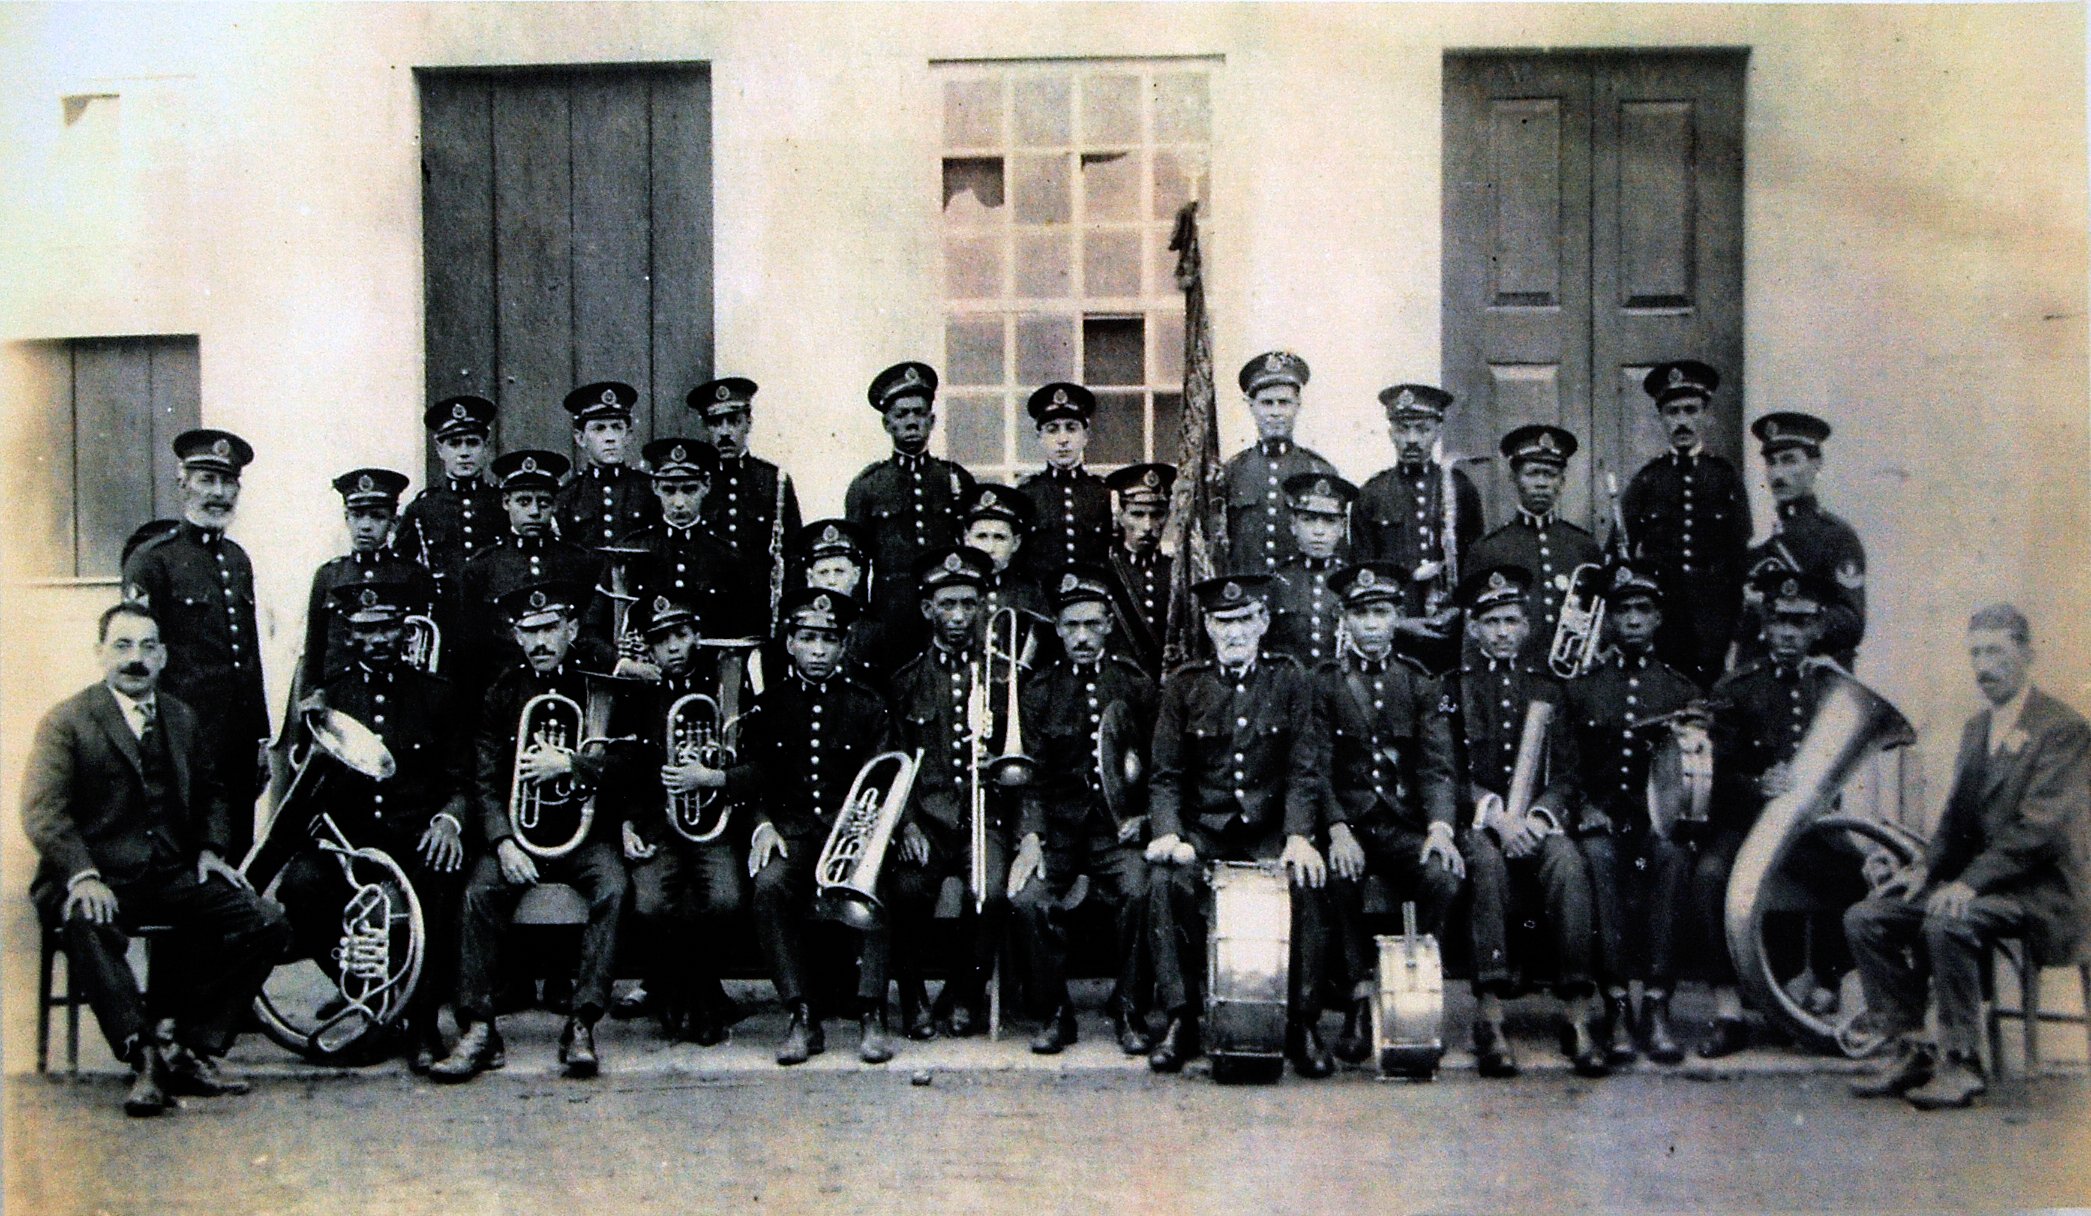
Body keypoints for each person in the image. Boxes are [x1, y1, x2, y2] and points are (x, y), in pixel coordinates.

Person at [21, 601, 291, 1116]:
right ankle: (143, 1056)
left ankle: (191, 1047)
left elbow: (212, 791)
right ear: (99, 653)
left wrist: (211, 850)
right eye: (122, 646)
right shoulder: (68, 721)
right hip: (96, 875)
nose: (135, 659)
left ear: (164, 656)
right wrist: (82, 873)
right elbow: (43, 812)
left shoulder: (180, 717)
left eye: (147, 647)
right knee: (86, 918)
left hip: (170, 873)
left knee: (267, 921)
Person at [1846, 605, 2091, 1110]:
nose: (1983, 666)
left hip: (2043, 891)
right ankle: (1911, 1046)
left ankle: (1962, 1063)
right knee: (1867, 917)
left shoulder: (2063, 728)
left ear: (2027, 653)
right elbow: (1957, 818)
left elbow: (2039, 832)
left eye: (1996, 652)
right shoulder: (1978, 726)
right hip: (1984, 885)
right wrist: (1926, 871)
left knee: (1946, 920)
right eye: (1975, 653)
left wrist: (1967, 885)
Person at [430, 580, 626, 1083]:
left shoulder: (595, 683)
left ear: (572, 630)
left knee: (614, 888)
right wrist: (503, 841)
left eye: (550, 629)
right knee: (477, 893)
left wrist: (572, 763)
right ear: (516, 636)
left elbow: (626, 761)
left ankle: (582, 1021)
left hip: (584, 836)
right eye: (529, 631)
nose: (540, 641)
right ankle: (476, 1025)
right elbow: (486, 779)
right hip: (521, 836)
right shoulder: (501, 692)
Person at [275, 575, 471, 1072]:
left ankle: (422, 1020)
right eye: (367, 630)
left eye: (387, 628)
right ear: (350, 634)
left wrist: (449, 820)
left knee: (442, 875)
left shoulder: (438, 695)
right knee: (301, 886)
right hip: (350, 840)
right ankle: (371, 999)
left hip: (414, 835)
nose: (379, 639)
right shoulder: (330, 698)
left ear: (404, 630)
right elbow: (308, 780)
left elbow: (460, 778)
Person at [1142, 575, 1334, 1077]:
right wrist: (1169, 833)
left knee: (1308, 882)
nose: (1233, 633)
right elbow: (1166, 775)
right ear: (1207, 626)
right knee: (1164, 883)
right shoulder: (1186, 686)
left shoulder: (1290, 679)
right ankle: (1182, 1019)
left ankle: (1302, 1022)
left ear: (1263, 623)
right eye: (1222, 622)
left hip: (1268, 830)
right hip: (1205, 831)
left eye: (1244, 620)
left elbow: (1303, 769)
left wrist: (1298, 835)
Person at [1443, 565, 1606, 1076]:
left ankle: (1578, 1015)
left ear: (1528, 625)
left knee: (1569, 862)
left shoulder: (1550, 689)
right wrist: (1495, 815)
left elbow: (1570, 772)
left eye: (1512, 621)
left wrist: (1539, 816)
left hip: (1535, 825)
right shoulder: (1451, 688)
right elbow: (1442, 770)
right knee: (1485, 865)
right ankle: (1489, 1018)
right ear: (1472, 627)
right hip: (1480, 824)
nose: (1502, 632)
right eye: (1490, 622)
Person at [1304, 561, 1466, 1067]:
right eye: (1362, 615)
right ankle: (1357, 998)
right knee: (1338, 876)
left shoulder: (1418, 682)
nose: (1372, 626)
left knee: (1441, 875)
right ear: (1345, 621)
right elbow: (1316, 767)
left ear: (1397, 617)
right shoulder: (1325, 682)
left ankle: (1406, 984)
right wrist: (1334, 829)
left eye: (1382, 613)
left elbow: (1438, 766)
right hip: (1348, 820)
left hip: (1400, 823)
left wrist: (1440, 828)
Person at [741, 586, 902, 1065]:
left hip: (850, 833)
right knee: (768, 886)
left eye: (828, 640)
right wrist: (763, 825)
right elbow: (752, 781)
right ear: (789, 642)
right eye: (807, 638)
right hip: (791, 834)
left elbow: (884, 779)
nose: (818, 650)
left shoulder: (867, 705)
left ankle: (871, 1011)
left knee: (874, 882)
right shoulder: (769, 707)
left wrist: (860, 836)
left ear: (843, 645)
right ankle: (801, 1013)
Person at [1554, 563, 1703, 1065]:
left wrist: (1673, 815)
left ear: (1658, 618)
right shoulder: (1583, 687)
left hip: (1657, 820)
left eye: (1643, 610)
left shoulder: (1681, 691)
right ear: (1610, 620)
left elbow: (1690, 768)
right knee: (1596, 857)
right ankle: (1616, 1003)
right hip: (1604, 820)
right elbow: (1569, 769)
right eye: (1623, 610)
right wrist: (1586, 808)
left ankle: (1657, 1004)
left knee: (1675, 857)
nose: (1633, 620)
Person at [1008, 564, 1158, 1055]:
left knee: (1141, 889)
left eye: (1092, 624)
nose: (1082, 636)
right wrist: (1030, 837)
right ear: (1058, 628)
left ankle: (1129, 1005)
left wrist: (1146, 821)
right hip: (1058, 829)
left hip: (1118, 829)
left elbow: (1158, 764)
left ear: (1109, 625)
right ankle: (1055, 1010)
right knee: (1029, 900)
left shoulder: (1134, 683)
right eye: (1071, 625)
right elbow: (1028, 776)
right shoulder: (1038, 691)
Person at [1695, 569, 1844, 1059]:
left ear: (1817, 628)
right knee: (1711, 873)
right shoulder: (1738, 686)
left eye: (1799, 625)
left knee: (1858, 873)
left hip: (1809, 825)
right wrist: (1758, 785)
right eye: (1778, 622)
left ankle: (1816, 988)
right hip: (1745, 822)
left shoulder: (1833, 687)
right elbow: (1716, 770)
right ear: (1764, 625)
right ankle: (1727, 1010)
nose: (1786, 633)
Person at [606, 592, 747, 1046]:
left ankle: (696, 987)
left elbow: (756, 763)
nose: (672, 647)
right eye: (661, 640)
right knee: (649, 904)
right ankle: (691, 991)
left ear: (696, 637)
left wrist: (713, 776)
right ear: (647, 647)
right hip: (657, 824)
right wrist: (626, 823)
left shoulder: (724, 686)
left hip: (713, 822)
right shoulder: (635, 695)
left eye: (681, 636)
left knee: (724, 899)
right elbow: (624, 765)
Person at [122, 428, 270, 860]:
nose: (218, 494)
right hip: (183, 742)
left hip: (238, 743)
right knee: (187, 857)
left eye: (228, 483)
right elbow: (137, 661)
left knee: (237, 849)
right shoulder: (153, 560)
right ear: (182, 482)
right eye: (207, 480)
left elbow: (248, 655)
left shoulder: (238, 560)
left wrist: (260, 738)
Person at [885, 547, 1013, 1039]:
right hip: (926, 821)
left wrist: (997, 764)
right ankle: (914, 998)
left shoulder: (1003, 678)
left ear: (982, 605)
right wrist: (908, 823)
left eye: (968, 603)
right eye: (947, 605)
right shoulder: (906, 682)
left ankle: (963, 991)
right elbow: (895, 763)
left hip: (985, 815)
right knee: (905, 889)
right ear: (927, 610)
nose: (958, 616)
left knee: (992, 893)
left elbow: (1021, 759)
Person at [1619, 361, 1751, 687]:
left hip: (1716, 629)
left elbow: (1740, 558)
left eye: (1690, 411)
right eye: (1672, 412)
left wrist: (1735, 634)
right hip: (1663, 631)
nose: (1682, 421)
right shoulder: (1647, 481)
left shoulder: (1725, 477)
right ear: (1661, 418)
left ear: (1705, 415)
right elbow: (1621, 553)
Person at [844, 361, 976, 671]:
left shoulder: (955, 480)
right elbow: (857, 564)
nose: (911, 422)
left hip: (944, 614)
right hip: (890, 615)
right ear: (886, 424)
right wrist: (863, 625)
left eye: (919, 413)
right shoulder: (868, 486)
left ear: (932, 420)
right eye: (901, 415)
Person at [1354, 384, 1485, 673]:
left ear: (1438, 430)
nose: (1412, 439)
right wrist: (1398, 623)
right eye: (1402, 429)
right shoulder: (1372, 494)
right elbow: (1363, 577)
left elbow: (1476, 567)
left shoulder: (1460, 488)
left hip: (1451, 635)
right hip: (1393, 640)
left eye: (1423, 429)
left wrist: (1458, 612)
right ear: (1390, 433)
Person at [455, 450, 606, 697]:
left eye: (543, 502)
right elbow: (472, 651)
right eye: (524, 502)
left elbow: (589, 633)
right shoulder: (481, 568)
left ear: (555, 504)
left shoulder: (580, 562)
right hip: (505, 695)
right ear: (506, 502)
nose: (534, 512)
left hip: (571, 690)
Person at [1737, 411, 1867, 670]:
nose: (1778, 474)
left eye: (1789, 461)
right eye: (1772, 463)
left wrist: (1784, 610)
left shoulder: (1836, 537)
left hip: (1815, 678)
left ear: (1816, 464)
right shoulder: (1762, 539)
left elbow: (1851, 624)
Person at [1466, 425, 1604, 669]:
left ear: (1562, 482)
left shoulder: (1583, 546)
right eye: (1532, 473)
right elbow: (1473, 633)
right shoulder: (1489, 549)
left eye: (1550, 475)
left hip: (1573, 679)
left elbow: (1602, 618)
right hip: (1516, 679)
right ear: (1514, 478)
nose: (1541, 483)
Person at [296, 468, 436, 693]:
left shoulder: (413, 575)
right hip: (339, 699)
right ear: (346, 518)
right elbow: (314, 653)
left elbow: (420, 651)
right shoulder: (328, 576)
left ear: (393, 522)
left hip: (397, 699)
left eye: (378, 516)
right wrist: (310, 698)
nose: (366, 526)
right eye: (358, 515)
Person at [613, 436, 764, 641]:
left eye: (689, 489)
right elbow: (599, 627)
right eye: (669, 490)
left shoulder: (727, 556)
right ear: (655, 487)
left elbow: (744, 631)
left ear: (706, 486)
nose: (679, 502)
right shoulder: (631, 550)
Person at [400, 394, 500, 669]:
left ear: (486, 448)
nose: (464, 452)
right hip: (445, 637)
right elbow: (401, 573)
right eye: (455, 444)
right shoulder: (422, 510)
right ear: (439, 449)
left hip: (497, 635)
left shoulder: (503, 504)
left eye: (472, 443)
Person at [1221, 351, 1337, 575]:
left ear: (1297, 405)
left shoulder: (1319, 470)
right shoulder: (1232, 472)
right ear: (1252, 406)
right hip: (1248, 597)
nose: (1275, 413)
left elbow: (1335, 554)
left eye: (1284, 403)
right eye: (1267, 403)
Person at [688, 377, 802, 590]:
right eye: (716, 423)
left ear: (748, 423)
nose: (725, 432)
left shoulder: (773, 481)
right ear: (705, 428)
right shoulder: (694, 482)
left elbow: (793, 556)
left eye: (733, 421)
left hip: (757, 609)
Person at [1013, 382, 1113, 577]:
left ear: (1085, 436)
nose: (1063, 439)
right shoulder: (1026, 495)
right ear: (1039, 437)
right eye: (1052, 430)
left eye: (1071, 428)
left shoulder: (1103, 493)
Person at [1264, 473, 1358, 666]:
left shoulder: (1352, 583)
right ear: (1293, 525)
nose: (1319, 531)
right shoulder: (1274, 581)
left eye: (1329, 521)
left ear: (1342, 528)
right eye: (1308, 519)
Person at [552, 380, 658, 549]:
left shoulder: (650, 490)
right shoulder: (568, 496)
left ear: (628, 435)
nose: (610, 437)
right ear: (580, 438)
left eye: (616, 427)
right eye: (599, 428)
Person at [786, 518, 886, 679]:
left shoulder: (875, 632)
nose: (831, 580)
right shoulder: (792, 627)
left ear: (855, 575)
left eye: (839, 571)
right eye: (823, 572)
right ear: (809, 576)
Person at [1102, 462, 1176, 676]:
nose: (1147, 526)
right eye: (1137, 514)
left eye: (1157, 515)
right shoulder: (1107, 574)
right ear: (1120, 515)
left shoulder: (1176, 573)